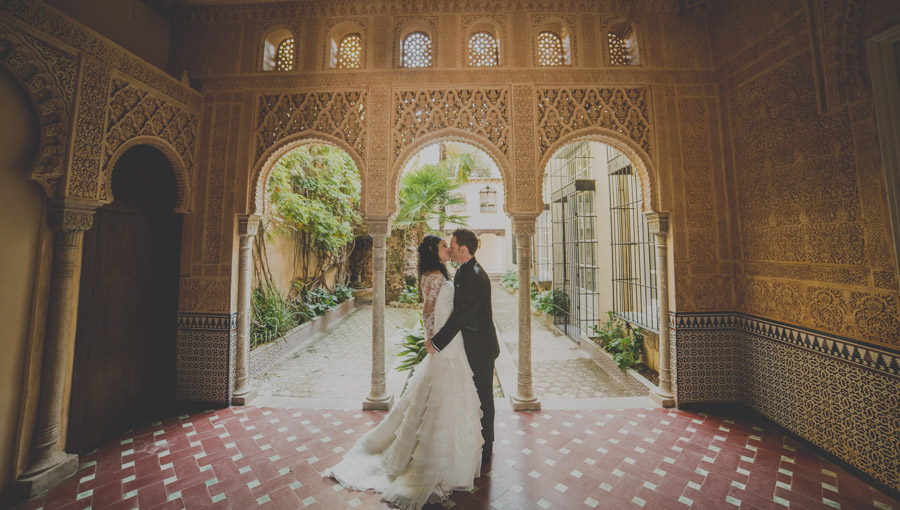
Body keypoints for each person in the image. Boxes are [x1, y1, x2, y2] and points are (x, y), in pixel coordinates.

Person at [323, 235, 483, 510]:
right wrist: (430, 339)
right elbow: (427, 310)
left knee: (450, 393)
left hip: (451, 340)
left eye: (450, 245)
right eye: (444, 245)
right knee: (440, 396)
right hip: (442, 341)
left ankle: (453, 460)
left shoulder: (440, 273)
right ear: (434, 250)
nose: (448, 248)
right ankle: (433, 463)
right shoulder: (434, 276)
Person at [427, 228, 500, 468]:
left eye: (453, 245)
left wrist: (436, 343)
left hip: (481, 347)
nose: (450, 248)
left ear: (463, 249)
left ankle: (486, 448)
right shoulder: (463, 270)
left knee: (484, 397)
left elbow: (461, 316)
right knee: (474, 396)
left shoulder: (475, 276)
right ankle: (475, 442)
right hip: (469, 345)